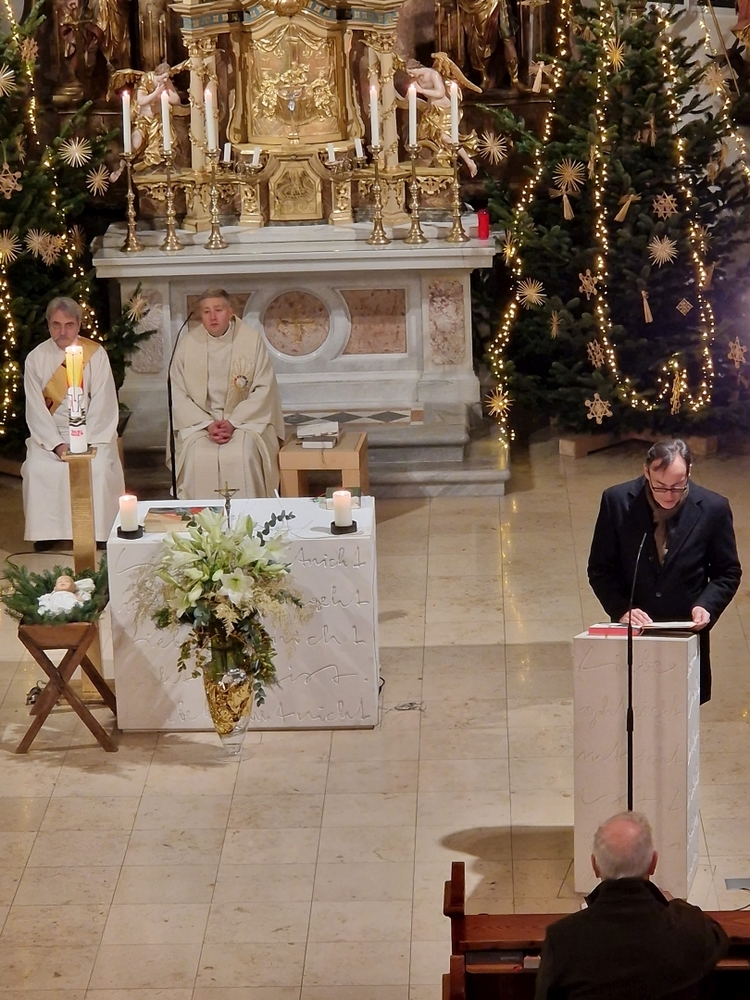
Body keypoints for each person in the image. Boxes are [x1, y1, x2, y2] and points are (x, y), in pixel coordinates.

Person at [587, 439, 741, 703]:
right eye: (660, 486)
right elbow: (600, 569)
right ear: (646, 472)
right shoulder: (616, 501)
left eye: (677, 486)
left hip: (685, 631)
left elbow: (727, 571)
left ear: (689, 472)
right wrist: (622, 608)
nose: (669, 495)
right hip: (635, 631)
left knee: (681, 713)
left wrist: (707, 605)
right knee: (633, 705)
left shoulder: (714, 508)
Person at [535, 812, 727, 1000]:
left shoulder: (561, 939)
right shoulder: (690, 928)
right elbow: (720, 939)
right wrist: (674, 904)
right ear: (653, 863)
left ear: (595, 866)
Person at [22, 297, 125, 551]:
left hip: (92, 435)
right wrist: (58, 446)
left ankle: (98, 531)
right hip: (51, 436)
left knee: (98, 468)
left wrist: (82, 445)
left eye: (69, 325)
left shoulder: (95, 355)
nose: (62, 331)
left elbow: (103, 402)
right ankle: (47, 532)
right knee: (37, 468)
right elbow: (36, 409)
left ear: (78, 324)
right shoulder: (36, 358)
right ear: (48, 325)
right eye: (56, 325)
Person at [171, 289, 285, 501]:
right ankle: (201, 519)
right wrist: (207, 424)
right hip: (201, 424)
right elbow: (178, 393)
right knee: (197, 456)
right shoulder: (187, 345)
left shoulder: (250, 340)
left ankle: (251, 517)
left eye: (218, 310)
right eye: (206, 311)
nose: (212, 317)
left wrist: (233, 422)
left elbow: (263, 389)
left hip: (245, 422)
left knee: (244, 454)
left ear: (230, 312)